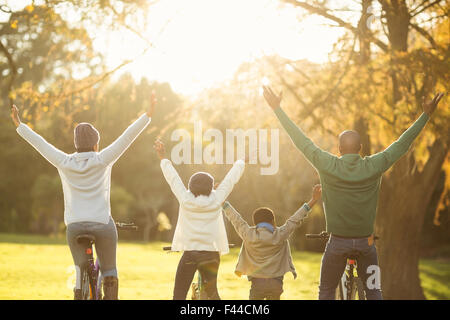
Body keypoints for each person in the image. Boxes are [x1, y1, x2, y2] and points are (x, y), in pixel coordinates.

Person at [262, 85, 444, 300]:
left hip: (338, 243)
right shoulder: (375, 165)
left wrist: (277, 109)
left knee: (327, 290)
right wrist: (425, 115)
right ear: (360, 148)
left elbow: (301, 141)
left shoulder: (326, 164)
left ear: (339, 149)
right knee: (374, 290)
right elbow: (402, 144)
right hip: (367, 244)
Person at [10, 97, 156, 300]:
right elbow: (127, 137)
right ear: (96, 144)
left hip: (75, 225)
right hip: (102, 223)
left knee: (79, 268)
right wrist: (147, 116)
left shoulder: (64, 161)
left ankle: (79, 287)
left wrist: (20, 125)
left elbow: (40, 144)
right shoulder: (103, 159)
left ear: (76, 144)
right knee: (109, 270)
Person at [153, 139, 246, 300]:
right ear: (211, 187)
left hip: (191, 254)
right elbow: (231, 179)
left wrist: (163, 157)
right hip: (211, 255)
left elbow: (173, 178)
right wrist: (242, 161)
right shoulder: (217, 197)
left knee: (179, 295)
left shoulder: (185, 198)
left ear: (191, 187)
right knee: (212, 293)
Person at [222, 184, 322, 300]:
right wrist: (313, 200)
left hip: (257, 284)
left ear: (255, 223)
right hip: (276, 283)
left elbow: (235, 218)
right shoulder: (280, 234)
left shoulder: (248, 234)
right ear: (273, 221)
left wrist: (223, 201)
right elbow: (295, 219)